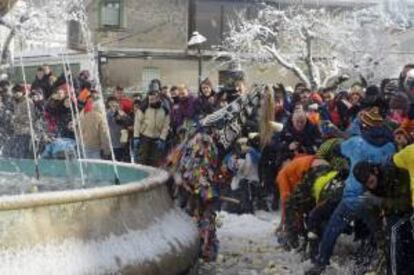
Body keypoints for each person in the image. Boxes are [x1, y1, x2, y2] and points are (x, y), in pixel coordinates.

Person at [306, 106, 396, 275]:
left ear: (366, 127)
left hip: (351, 199)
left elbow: (337, 149)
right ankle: (383, 265)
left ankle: (321, 263)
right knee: (379, 237)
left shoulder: (357, 143)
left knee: (333, 228)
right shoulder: (390, 146)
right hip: (374, 199)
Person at [133, 85, 170, 166]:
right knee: (142, 158)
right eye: (150, 99)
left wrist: (162, 138)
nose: (151, 101)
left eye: (153, 99)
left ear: (158, 98)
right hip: (145, 136)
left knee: (155, 160)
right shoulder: (144, 108)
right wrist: (136, 137)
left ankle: (153, 176)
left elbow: (166, 125)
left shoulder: (164, 110)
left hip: (157, 137)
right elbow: (137, 122)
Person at [3, 84, 36, 159]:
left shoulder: (28, 102)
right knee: (12, 149)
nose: (16, 94)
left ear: (22, 92)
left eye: (18, 92)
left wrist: (17, 117)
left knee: (22, 149)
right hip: (17, 130)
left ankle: (23, 164)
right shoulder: (15, 101)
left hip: (26, 130)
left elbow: (30, 117)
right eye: (14, 92)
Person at [106, 96, 133, 162]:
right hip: (113, 144)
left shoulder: (121, 112)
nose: (113, 106)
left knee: (125, 160)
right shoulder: (107, 114)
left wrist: (122, 115)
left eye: (114, 104)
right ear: (108, 105)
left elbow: (130, 122)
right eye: (111, 104)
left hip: (123, 143)